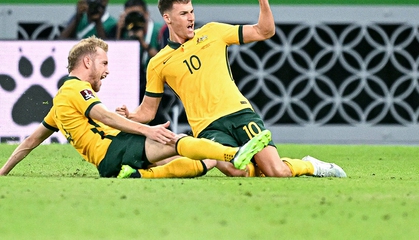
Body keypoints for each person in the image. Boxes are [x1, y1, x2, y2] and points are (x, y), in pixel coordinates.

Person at [117, 0, 347, 178]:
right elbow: (148, 112)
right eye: (183, 13)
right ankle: (259, 163)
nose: (191, 18)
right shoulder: (158, 62)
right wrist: (130, 116)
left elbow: (264, 31)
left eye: (192, 11)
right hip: (206, 127)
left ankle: (310, 165)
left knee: (277, 172)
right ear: (167, 18)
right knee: (236, 170)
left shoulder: (213, 32)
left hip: (238, 114)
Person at [0, 36, 271, 179]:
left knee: (180, 160)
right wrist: (146, 130)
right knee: (177, 141)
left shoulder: (60, 101)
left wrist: (3, 171)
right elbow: (103, 115)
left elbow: (30, 142)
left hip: (111, 157)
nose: (107, 71)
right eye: (103, 64)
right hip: (114, 150)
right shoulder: (75, 89)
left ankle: (140, 175)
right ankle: (232, 154)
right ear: (86, 64)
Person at [116, 0, 164, 101]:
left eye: (137, 15)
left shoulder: (160, 30)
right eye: (130, 16)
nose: (134, 20)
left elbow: (164, 61)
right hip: (131, 81)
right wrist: (119, 30)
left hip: (157, 80)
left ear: (146, 14)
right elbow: (115, 60)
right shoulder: (125, 31)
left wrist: (142, 42)